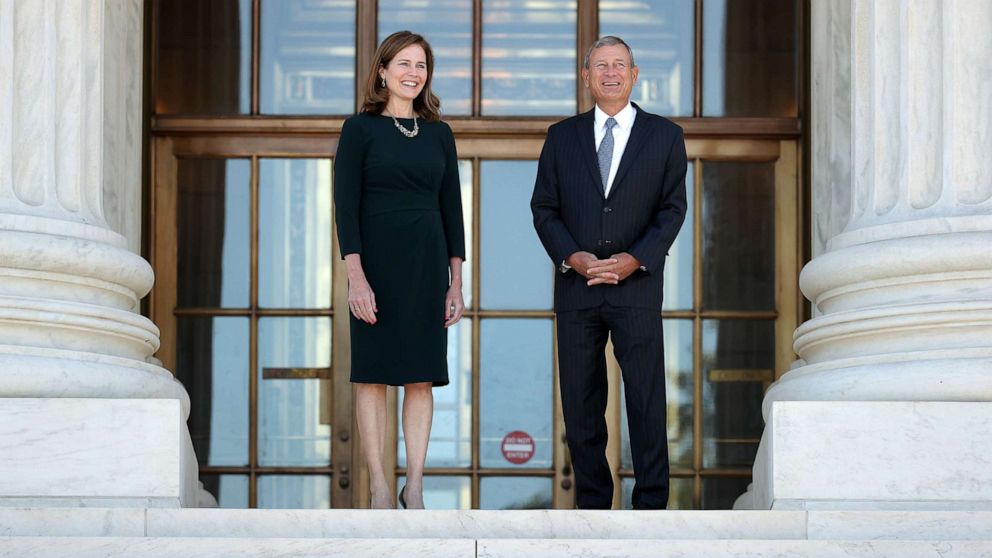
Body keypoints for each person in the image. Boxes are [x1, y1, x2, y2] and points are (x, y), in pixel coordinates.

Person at [531, 36, 687, 509]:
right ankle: (593, 503)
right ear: (586, 77)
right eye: (600, 66)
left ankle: (652, 504)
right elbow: (544, 208)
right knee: (580, 404)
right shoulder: (562, 136)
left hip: (636, 286)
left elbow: (672, 209)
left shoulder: (665, 136)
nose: (611, 73)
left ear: (635, 75)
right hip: (577, 291)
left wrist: (635, 259)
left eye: (620, 65)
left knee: (645, 397)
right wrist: (573, 258)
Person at [334, 30, 466, 510]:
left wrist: (457, 282)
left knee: (421, 375)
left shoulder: (440, 134)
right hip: (376, 265)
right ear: (384, 71)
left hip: (427, 265)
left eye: (421, 65)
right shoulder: (359, 130)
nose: (413, 73)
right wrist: (356, 276)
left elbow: (453, 209)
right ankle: (380, 488)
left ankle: (414, 484)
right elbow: (345, 208)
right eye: (404, 64)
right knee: (372, 375)